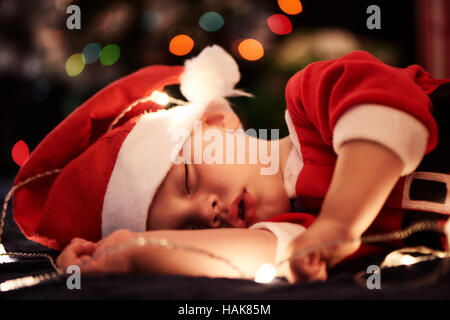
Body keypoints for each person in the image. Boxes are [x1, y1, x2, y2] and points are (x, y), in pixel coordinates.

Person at [14, 45, 450, 282]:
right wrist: (135, 253)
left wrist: (339, 220)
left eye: (188, 180)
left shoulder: (309, 102)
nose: (207, 212)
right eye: (189, 228)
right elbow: (252, 258)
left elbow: (386, 113)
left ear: (218, 121)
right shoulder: (299, 227)